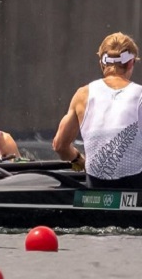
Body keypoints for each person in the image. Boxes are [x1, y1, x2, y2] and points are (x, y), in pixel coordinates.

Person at [53, 32, 142, 187]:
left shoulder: (82, 95)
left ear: (102, 64)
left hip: (95, 193)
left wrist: (77, 159)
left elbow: (60, 146)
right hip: (135, 194)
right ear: (130, 63)